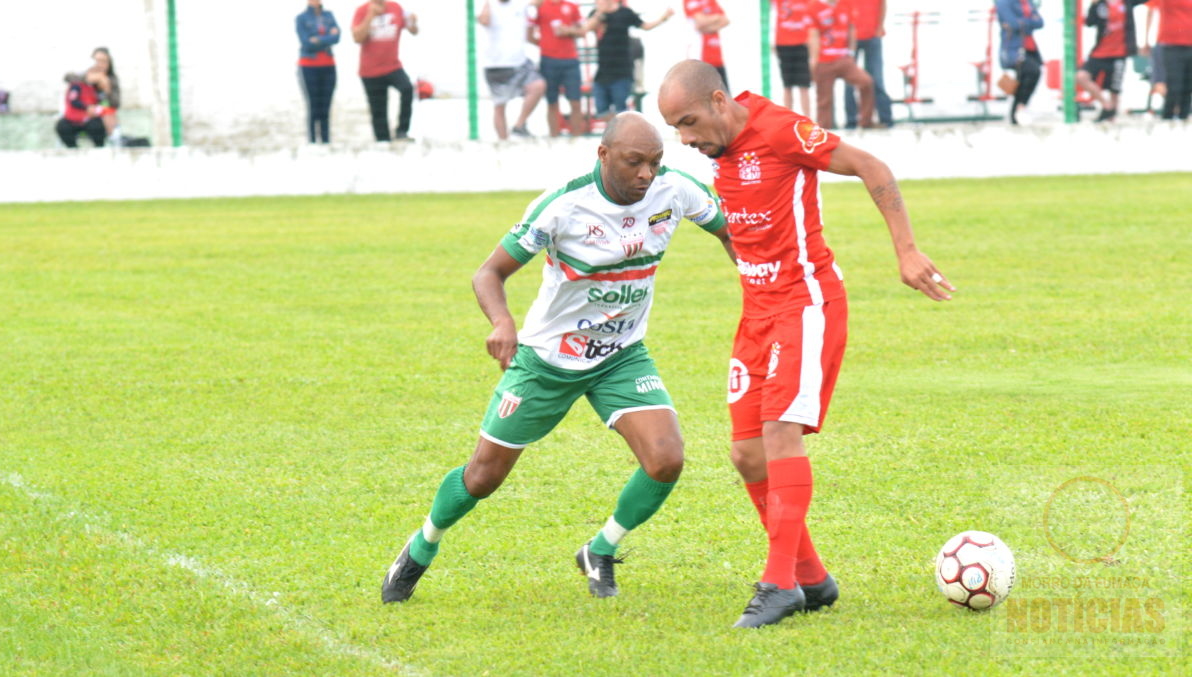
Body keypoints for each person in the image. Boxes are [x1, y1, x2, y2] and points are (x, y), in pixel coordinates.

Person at [381, 112, 731, 604]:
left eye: (654, 162)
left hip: (621, 355)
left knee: (666, 459)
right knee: (484, 476)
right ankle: (420, 549)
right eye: (634, 162)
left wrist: (763, 282)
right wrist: (503, 324)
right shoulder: (563, 205)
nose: (646, 174)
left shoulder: (675, 190)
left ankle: (599, 550)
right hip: (546, 361)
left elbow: (733, 232)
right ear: (603, 155)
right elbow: (489, 274)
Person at [657, 59, 953, 629]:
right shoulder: (723, 144)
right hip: (757, 315)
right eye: (676, 128)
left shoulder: (782, 130)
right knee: (746, 454)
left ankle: (778, 583)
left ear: (720, 102)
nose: (686, 139)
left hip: (807, 305)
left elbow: (872, 165)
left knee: (779, 433)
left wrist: (907, 251)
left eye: (690, 122)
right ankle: (813, 579)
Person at [582, 0, 674, 120]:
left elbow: (645, 26)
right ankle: (610, 134)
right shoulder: (596, 14)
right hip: (602, 72)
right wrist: (599, 13)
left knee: (621, 111)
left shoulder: (625, 13)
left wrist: (663, 18)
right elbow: (586, 29)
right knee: (601, 112)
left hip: (622, 71)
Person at [352, 0, 419, 141]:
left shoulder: (396, 7)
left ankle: (402, 131)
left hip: (392, 66)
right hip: (370, 70)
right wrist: (370, 15)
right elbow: (357, 38)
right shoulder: (362, 10)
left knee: (407, 89)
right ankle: (383, 142)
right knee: (378, 110)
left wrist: (413, 22)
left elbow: (413, 31)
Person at [480, 0, 547, 139]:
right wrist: (485, 13)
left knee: (538, 86)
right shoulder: (489, 5)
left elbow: (539, 2)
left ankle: (519, 125)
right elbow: (483, 20)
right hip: (496, 64)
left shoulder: (520, 4)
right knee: (499, 105)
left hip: (519, 62)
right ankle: (503, 141)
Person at [807, 0, 874, 129]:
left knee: (866, 82)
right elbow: (813, 35)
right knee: (824, 99)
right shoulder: (814, 7)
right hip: (824, 59)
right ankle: (824, 131)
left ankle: (866, 122)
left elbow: (851, 29)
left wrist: (851, 53)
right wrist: (814, 61)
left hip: (844, 58)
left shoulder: (846, 4)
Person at [1078, 1, 1149, 122]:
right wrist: (1093, 5)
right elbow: (1090, 22)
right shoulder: (1100, 4)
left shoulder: (1126, 2)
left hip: (1119, 52)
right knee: (1081, 76)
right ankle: (1106, 105)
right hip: (1100, 51)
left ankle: (1111, 116)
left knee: (1115, 88)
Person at [534, 0, 587, 136]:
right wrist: (546, 45)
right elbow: (529, 30)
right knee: (552, 101)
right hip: (548, 60)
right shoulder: (540, 6)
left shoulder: (572, 6)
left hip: (570, 60)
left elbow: (583, 31)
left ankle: (576, 138)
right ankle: (554, 137)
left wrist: (569, 30)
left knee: (575, 101)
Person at [297, 0, 342, 144]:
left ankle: (326, 140)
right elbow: (306, 42)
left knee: (325, 105)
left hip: (328, 65)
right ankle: (312, 141)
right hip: (309, 66)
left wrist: (318, 39)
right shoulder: (301, 18)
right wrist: (327, 38)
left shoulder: (329, 15)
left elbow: (337, 37)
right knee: (313, 105)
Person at [843, 0, 892, 129]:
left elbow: (882, 4)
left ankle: (885, 119)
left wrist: (880, 26)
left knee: (877, 79)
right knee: (849, 81)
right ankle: (851, 121)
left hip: (872, 35)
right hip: (849, 38)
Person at [996, 0, 1044, 125]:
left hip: (1030, 47)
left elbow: (1040, 22)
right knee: (1032, 71)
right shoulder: (1004, 2)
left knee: (1026, 77)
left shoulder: (1027, 2)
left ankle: (1016, 112)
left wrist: (1022, 22)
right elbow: (1013, 24)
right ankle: (1019, 108)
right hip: (1013, 48)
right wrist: (1029, 21)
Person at [775, 0, 814, 116]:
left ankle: (808, 118)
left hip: (802, 44)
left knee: (804, 85)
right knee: (787, 85)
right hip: (784, 44)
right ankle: (788, 118)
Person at [1156, 0, 1192, 119]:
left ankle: (1184, 115)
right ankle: (1168, 115)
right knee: (1174, 84)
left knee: (1188, 85)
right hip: (1171, 46)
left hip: (1190, 45)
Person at [684, 0, 731, 91]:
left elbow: (725, 20)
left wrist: (707, 26)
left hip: (717, 59)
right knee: (703, 97)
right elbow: (700, 22)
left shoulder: (711, 1)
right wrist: (717, 18)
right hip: (699, 59)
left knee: (725, 98)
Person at [56, 71, 106, 148]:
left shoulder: (95, 88)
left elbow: (102, 101)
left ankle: (99, 148)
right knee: (62, 127)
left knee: (98, 127)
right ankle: (73, 148)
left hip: (90, 119)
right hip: (72, 119)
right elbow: (73, 100)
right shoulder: (76, 87)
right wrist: (87, 107)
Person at [84, 48, 120, 140]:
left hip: (103, 115)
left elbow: (116, 103)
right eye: (97, 61)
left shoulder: (112, 79)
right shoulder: (85, 75)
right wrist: (87, 79)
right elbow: (68, 77)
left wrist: (107, 88)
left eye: (104, 61)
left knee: (109, 120)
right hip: (84, 114)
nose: (100, 65)